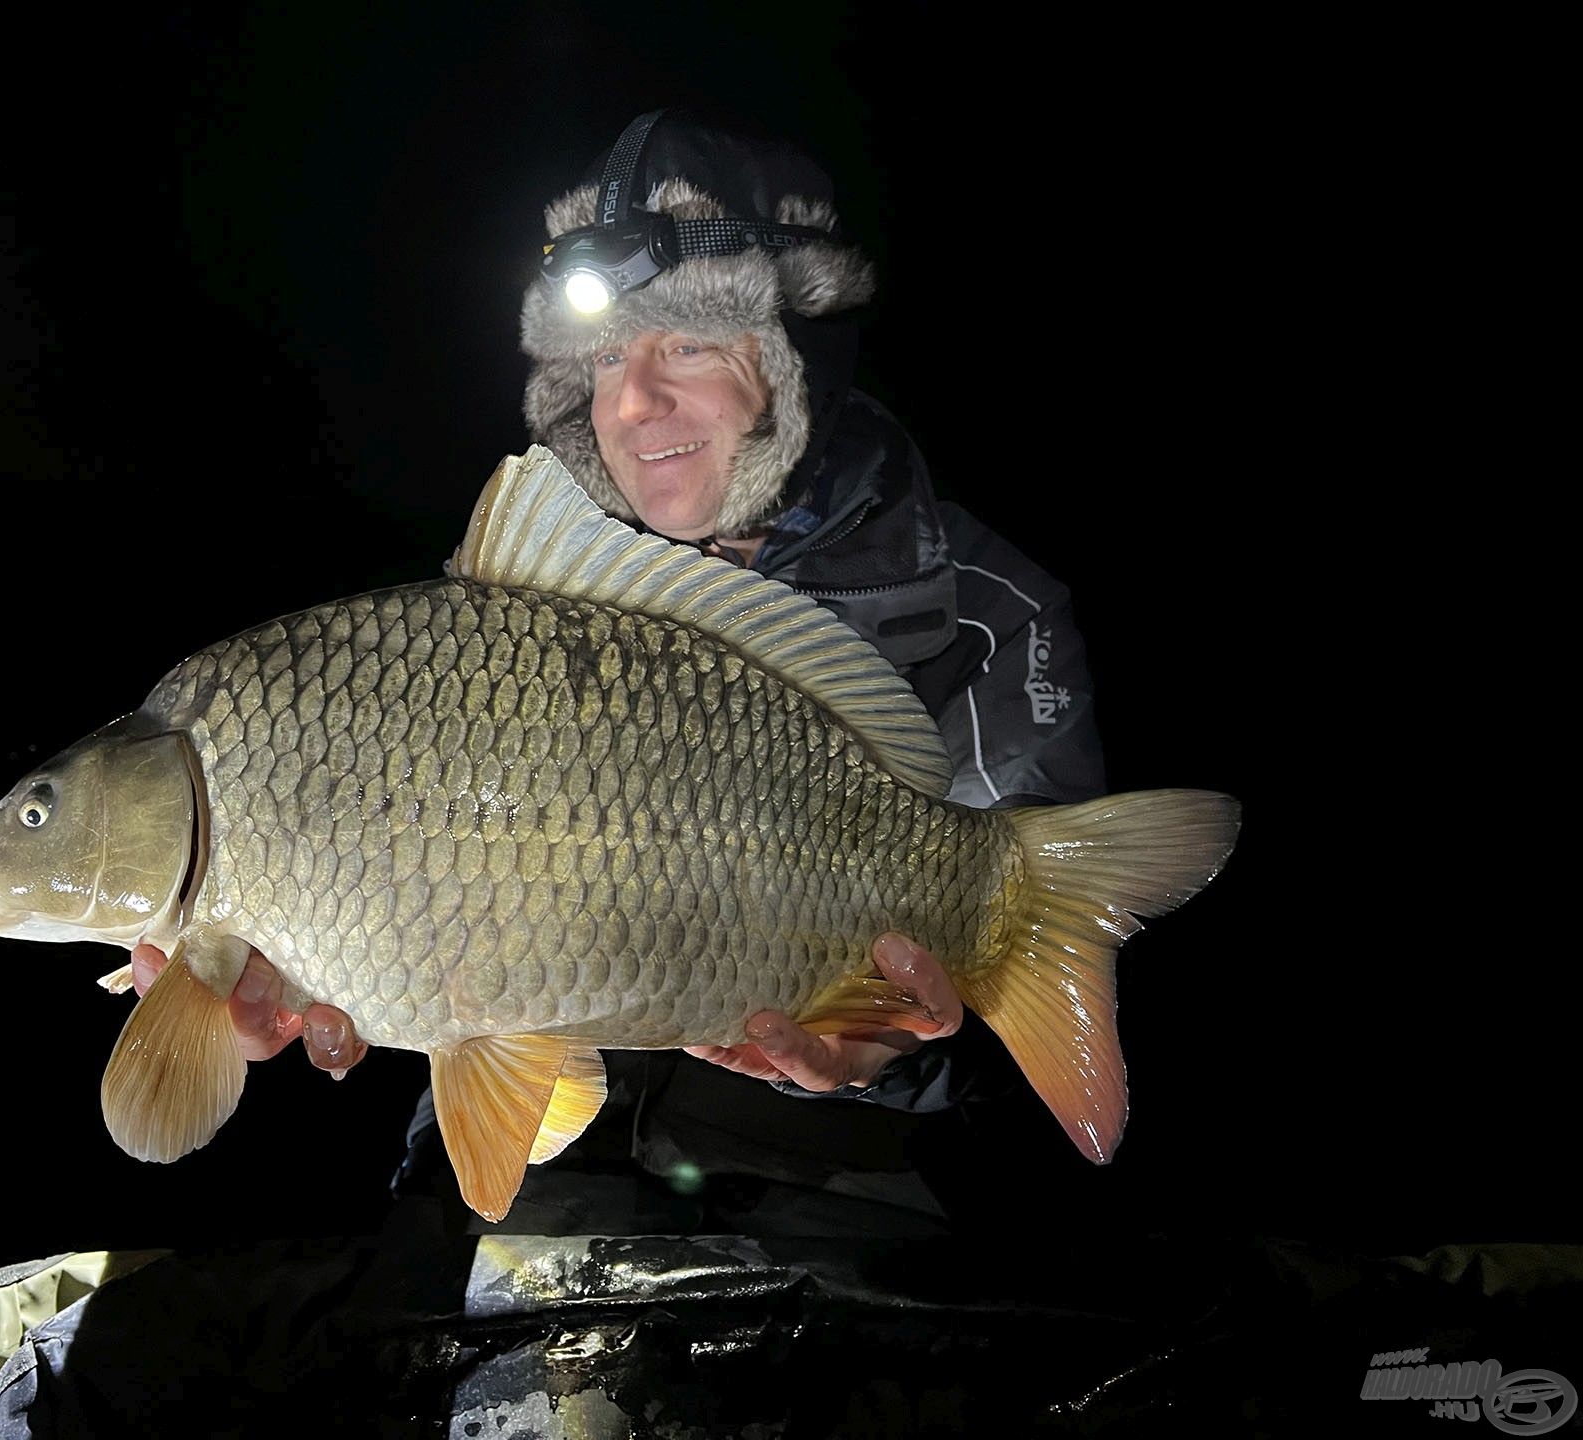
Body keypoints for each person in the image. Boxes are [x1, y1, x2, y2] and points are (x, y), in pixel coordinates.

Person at [131, 107, 1106, 1233]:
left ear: (794, 364)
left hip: (842, 1191)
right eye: (605, 356)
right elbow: (448, 947)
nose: (633, 402)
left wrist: (892, 1052)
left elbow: (1009, 1083)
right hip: (533, 1176)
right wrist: (291, 976)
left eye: (686, 343)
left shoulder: (994, 618)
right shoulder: (502, 609)